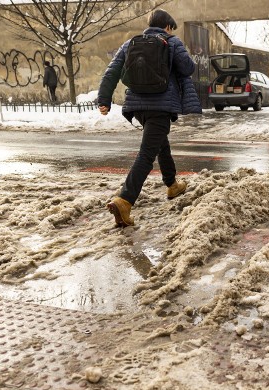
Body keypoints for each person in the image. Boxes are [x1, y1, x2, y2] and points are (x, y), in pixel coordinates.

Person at [97, 9, 201, 227]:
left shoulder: (130, 44)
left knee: (160, 143)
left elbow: (112, 71)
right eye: (171, 28)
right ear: (168, 27)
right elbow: (188, 68)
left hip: (138, 107)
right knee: (147, 153)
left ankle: (172, 184)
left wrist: (104, 99)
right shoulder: (172, 42)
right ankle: (125, 200)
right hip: (161, 106)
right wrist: (176, 46)